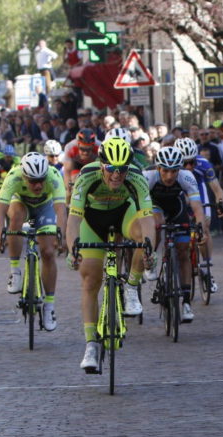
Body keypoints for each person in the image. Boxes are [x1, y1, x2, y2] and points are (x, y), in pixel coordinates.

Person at [65, 138, 155, 372]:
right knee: (90, 280)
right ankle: (91, 345)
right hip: (92, 220)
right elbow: (73, 219)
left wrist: (149, 250)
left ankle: (132, 287)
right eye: (112, 168)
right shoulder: (87, 175)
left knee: (141, 238)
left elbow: (148, 219)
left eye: (122, 169)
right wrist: (72, 248)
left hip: (123, 214)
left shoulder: (136, 177)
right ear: (101, 165)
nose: (117, 175)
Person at [0, 152, 67, 332]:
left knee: (48, 252)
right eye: (33, 181)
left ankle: (49, 306)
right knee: (15, 218)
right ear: (24, 176)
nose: (38, 185)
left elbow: (61, 211)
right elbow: (0, 211)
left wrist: (62, 236)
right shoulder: (14, 176)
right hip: (21, 204)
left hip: (45, 207)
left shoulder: (54, 176)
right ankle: (15, 271)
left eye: (41, 180)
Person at [142, 146, 208, 322]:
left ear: (179, 169)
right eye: (165, 171)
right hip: (154, 206)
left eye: (174, 171)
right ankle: (151, 258)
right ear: (158, 168)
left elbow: (197, 207)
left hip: (177, 208)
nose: (170, 176)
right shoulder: (148, 176)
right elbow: (141, 207)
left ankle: (186, 303)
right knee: (157, 222)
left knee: (183, 252)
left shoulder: (187, 176)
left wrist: (201, 229)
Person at [174, 137, 223, 293]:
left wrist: (221, 204)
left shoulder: (203, 164)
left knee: (204, 229)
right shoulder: (172, 166)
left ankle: (207, 267)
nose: (189, 166)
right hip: (180, 195)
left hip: (199, 194)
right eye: (185, 163)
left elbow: (217, 189)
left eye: (192, 162)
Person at [63, 128, 100, 200]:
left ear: (93, 146)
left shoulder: (100, 147)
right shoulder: (70, 147)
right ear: (78, 144)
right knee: (74, 183)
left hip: (93, 164)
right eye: (82, 149)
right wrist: (68, 189)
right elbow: (67, 171)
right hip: (77, 164)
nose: (85, 152)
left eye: (88, 149)